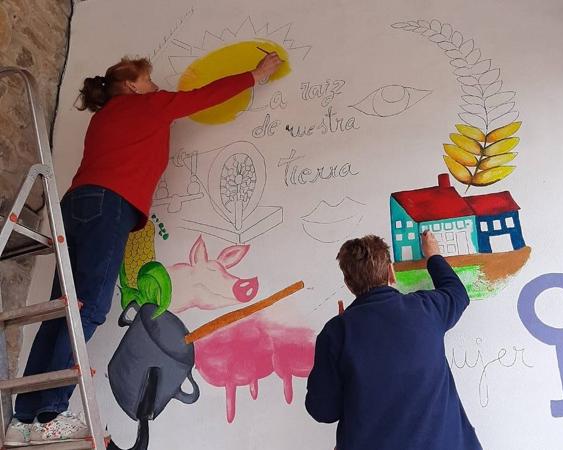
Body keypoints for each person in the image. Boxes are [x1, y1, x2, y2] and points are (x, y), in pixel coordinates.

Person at [4, 52, 282, 447]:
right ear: (133, 86)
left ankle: (23, 418)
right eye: (148, 80)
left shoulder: (103, 117)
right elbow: (204, 96)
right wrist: (256, 74)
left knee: (62, 307)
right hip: (109, 204)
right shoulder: (146, 104)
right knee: (89, 307)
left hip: (75, 205)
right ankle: (50, 411)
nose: (155, 86)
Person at [305, 232, 482, 450]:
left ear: (348, 284)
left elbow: (323, 411)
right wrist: (433, 256)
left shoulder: (335, 334)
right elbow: (458, 293)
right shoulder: (426, 309)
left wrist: (344, 330)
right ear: (391, 272)